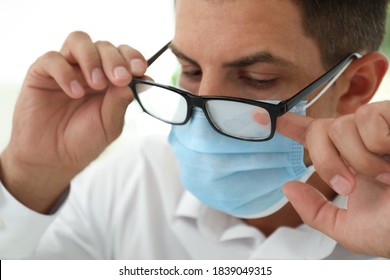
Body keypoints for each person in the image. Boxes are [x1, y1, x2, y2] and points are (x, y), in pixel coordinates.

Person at [0, 0, 389, 259]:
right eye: (191, 71)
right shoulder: (127, 184)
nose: (201, 113)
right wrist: (30, 174)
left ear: (355, 86)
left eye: (256, 79)